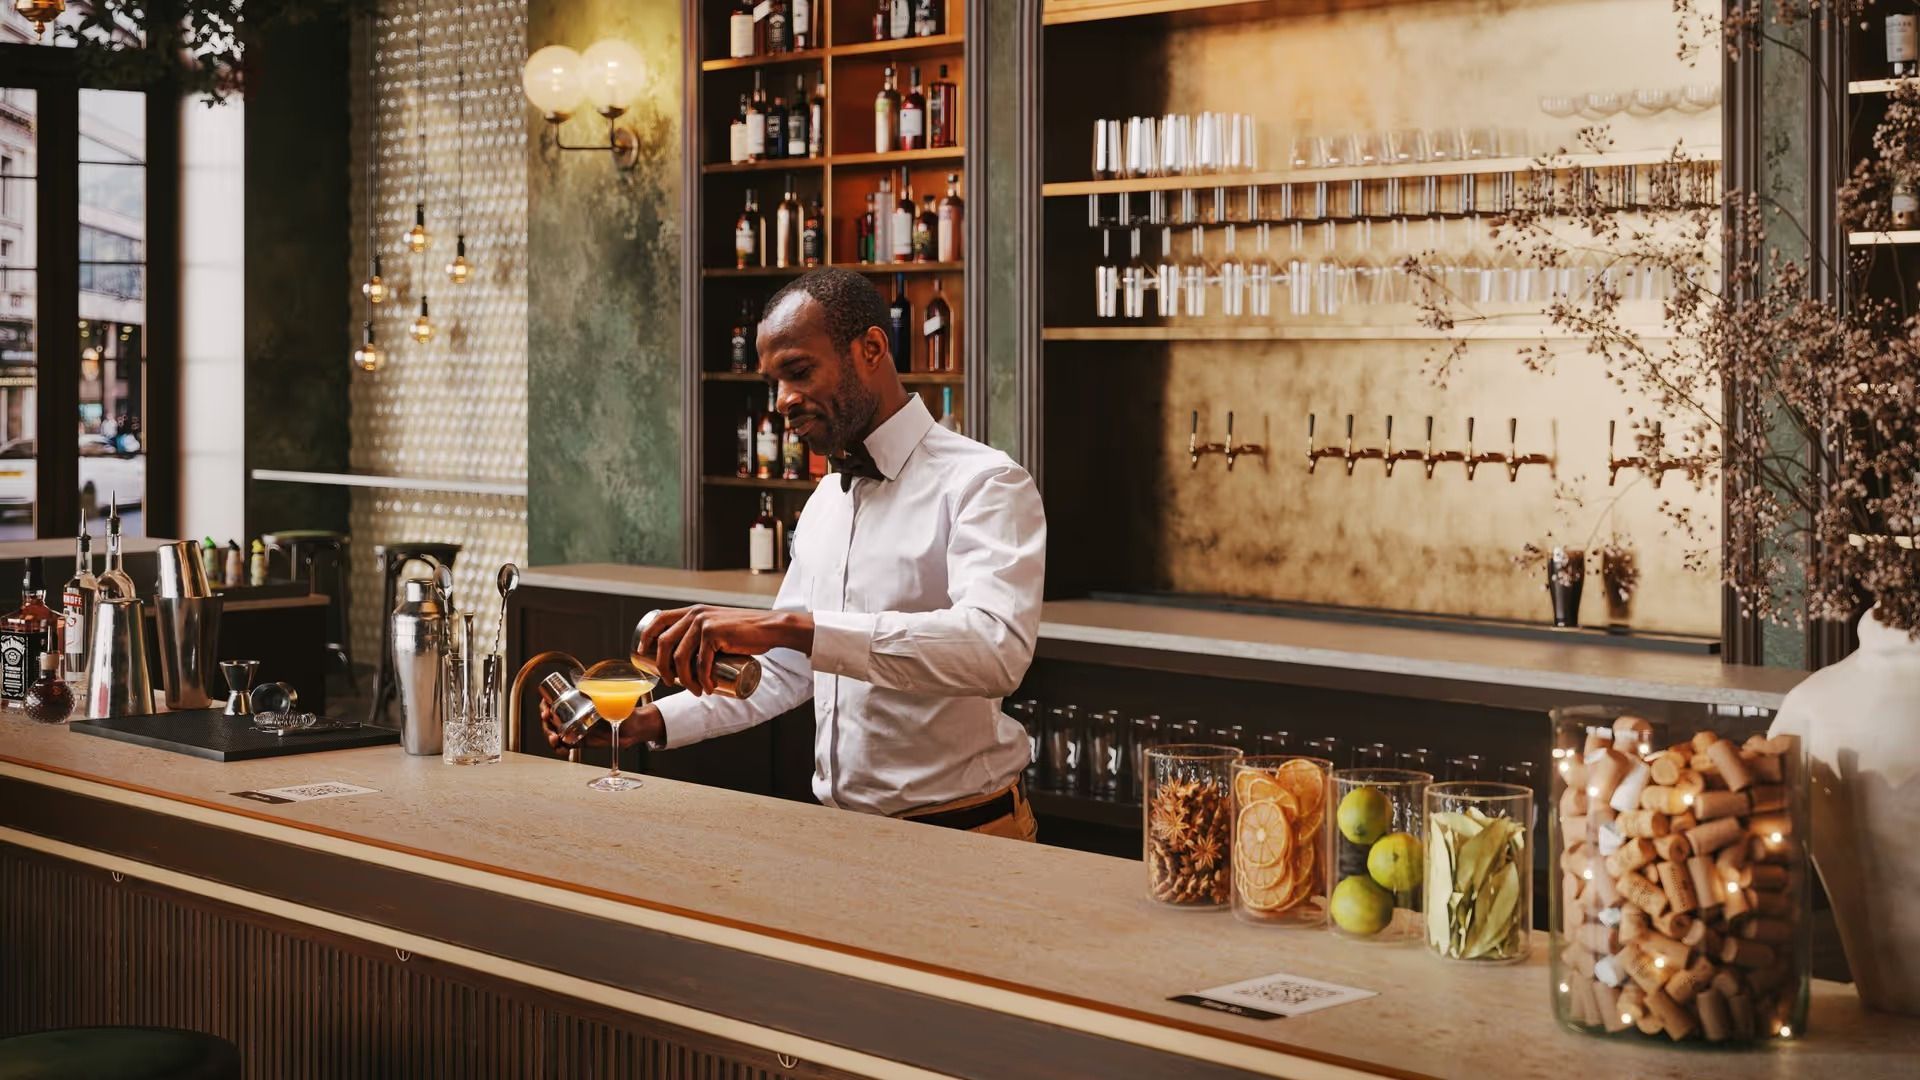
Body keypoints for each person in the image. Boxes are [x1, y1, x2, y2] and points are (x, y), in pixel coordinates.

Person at [544, 268, 1046, 840]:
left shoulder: (984, 482)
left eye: (799, 371)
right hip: (839, 837)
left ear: (872, 349)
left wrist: (791, 626)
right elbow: (785, 671)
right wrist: (651, 718)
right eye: (772, 383)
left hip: (967, 837)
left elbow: (995, 651)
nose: (782, 401)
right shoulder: (825, 503)